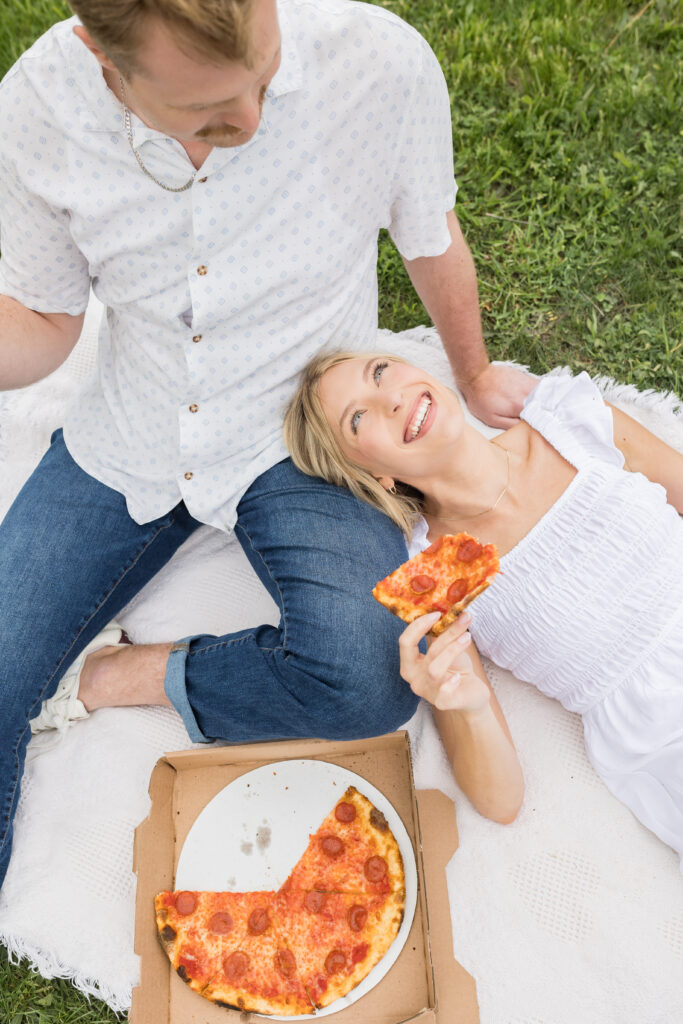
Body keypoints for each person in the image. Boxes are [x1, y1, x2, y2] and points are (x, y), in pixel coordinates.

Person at [0, 0, 534, 889]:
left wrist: (475, 378)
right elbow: (49, 327)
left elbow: (430, 236)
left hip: (304, 434)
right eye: (207, 112)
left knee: (368, 673)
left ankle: (134, 673)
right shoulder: (39, 106)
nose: (250, 120)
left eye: (263, 76)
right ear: (103, 62)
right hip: (133, 427)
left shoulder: (377, 62)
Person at [283, 350, 683, 861]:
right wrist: (467, 706)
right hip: (664, 731)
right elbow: (501, 801)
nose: (390, 398)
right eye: (357, 418)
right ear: (372, 473)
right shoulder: (434, 575)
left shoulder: (571, 419)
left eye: (381, 372)